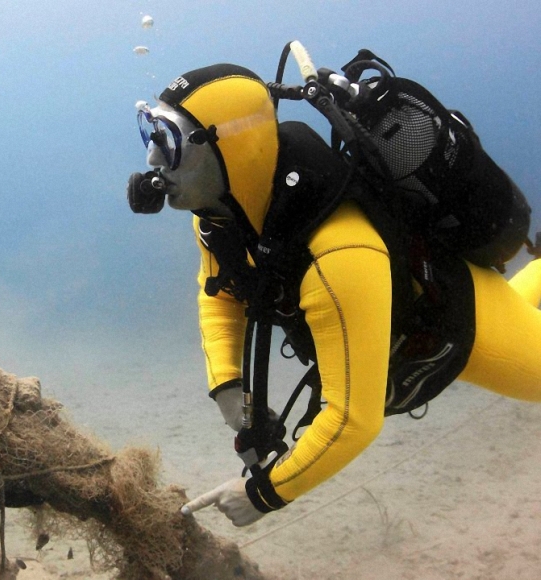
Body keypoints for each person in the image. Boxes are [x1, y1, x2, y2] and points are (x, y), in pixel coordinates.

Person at [129, 63, 541, 527]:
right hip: (408, 310)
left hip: (460, 323)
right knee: (519, 305)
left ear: (226, 145)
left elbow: (352, 420)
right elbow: (222, 294)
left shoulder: (339, 254)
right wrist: (227, 385)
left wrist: (263, 494)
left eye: (167, 140)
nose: (151, 162)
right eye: (149, 132)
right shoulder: (221, 218)